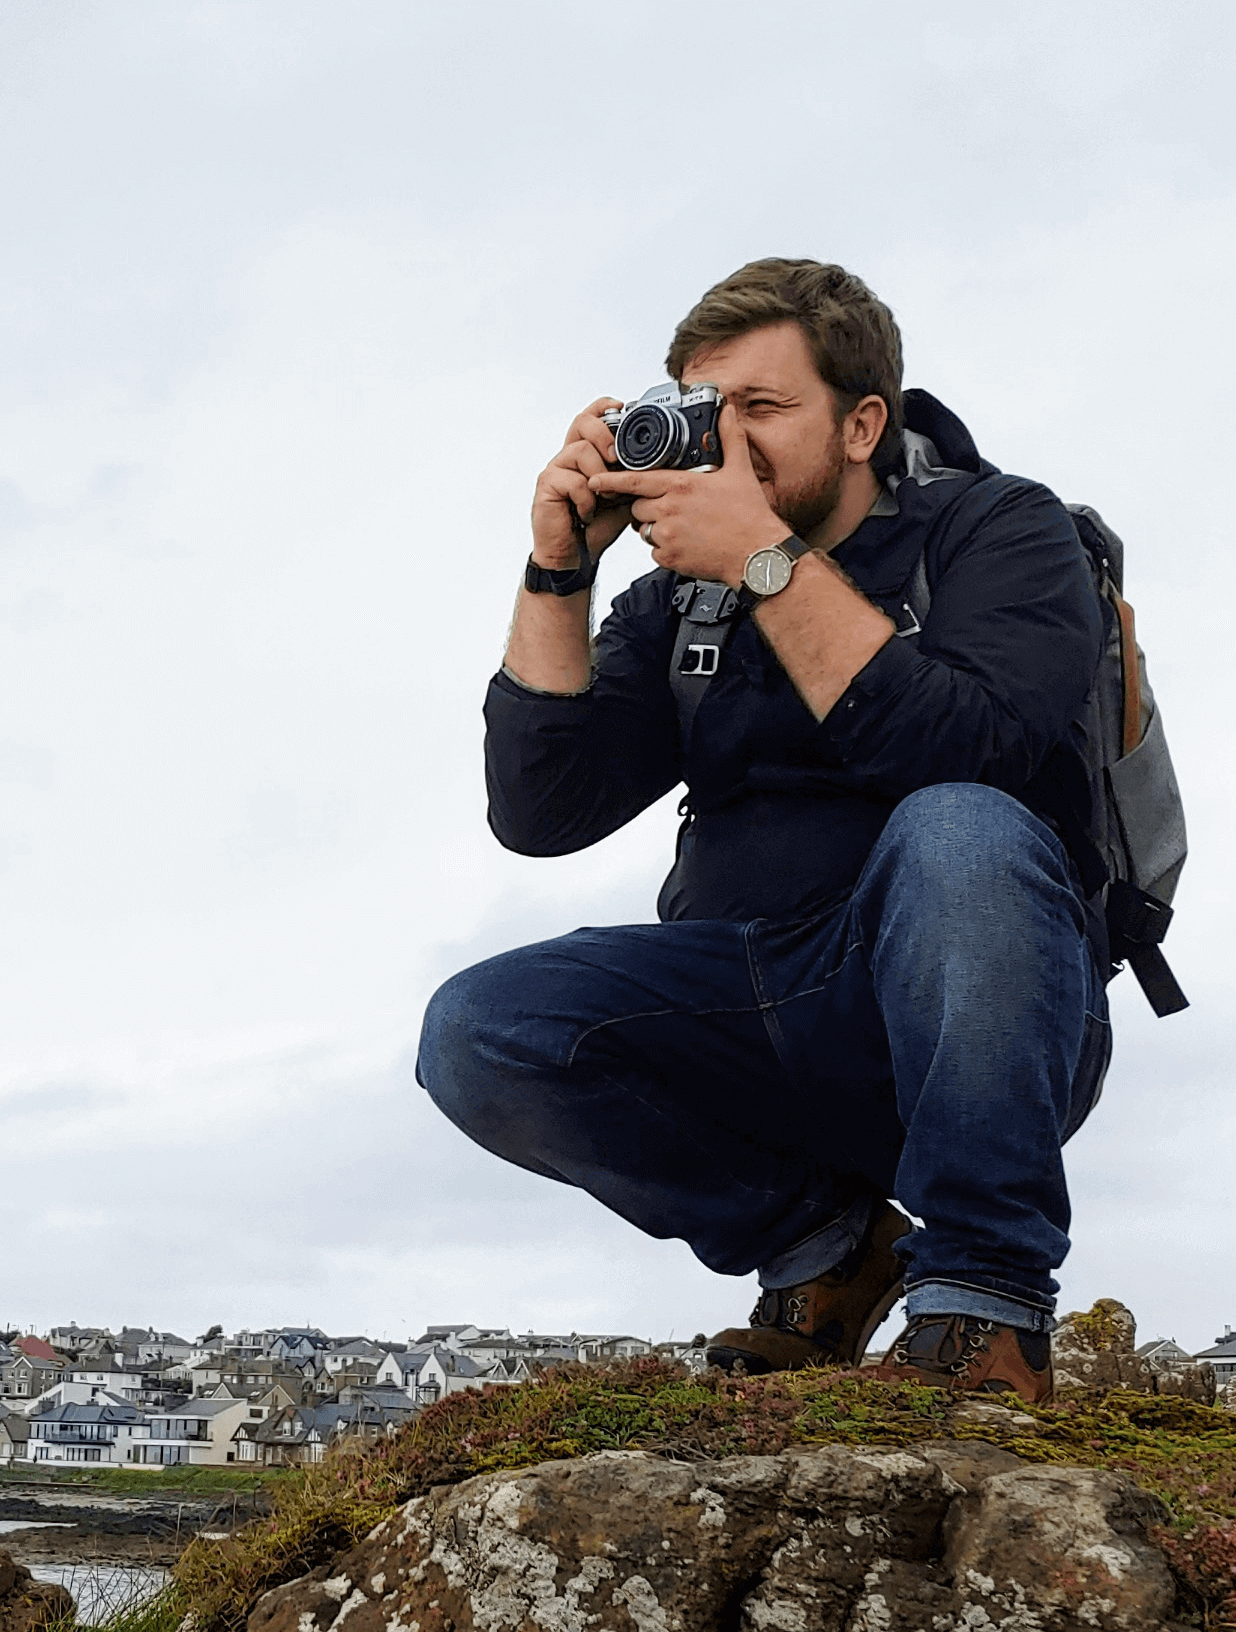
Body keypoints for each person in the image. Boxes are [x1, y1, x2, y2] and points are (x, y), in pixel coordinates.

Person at [416, 259, 1112, 1402]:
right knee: (479, 1029)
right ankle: (828, 1255)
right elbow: (540, 815)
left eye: (762, 408)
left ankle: (983, 1303)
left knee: (958, 830)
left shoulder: (1001, 530)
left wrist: (766, 561)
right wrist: (557, 570)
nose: (724, 442)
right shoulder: (680, 600)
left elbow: (967, 752)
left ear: (860, 423)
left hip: (976, 1005)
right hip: (751, 1004)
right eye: (702, 410)